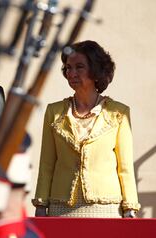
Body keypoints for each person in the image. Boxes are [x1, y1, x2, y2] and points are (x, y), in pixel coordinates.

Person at [32, 40, 140, 218]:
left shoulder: (119, 113)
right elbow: (46, 164)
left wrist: (130, 208)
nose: (71, 73)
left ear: (96, 71)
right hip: (61, 209)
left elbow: (125, 167)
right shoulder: (54, 111)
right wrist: (41, 204)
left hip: (107, 210)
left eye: (79, 67)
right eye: (68, 68)